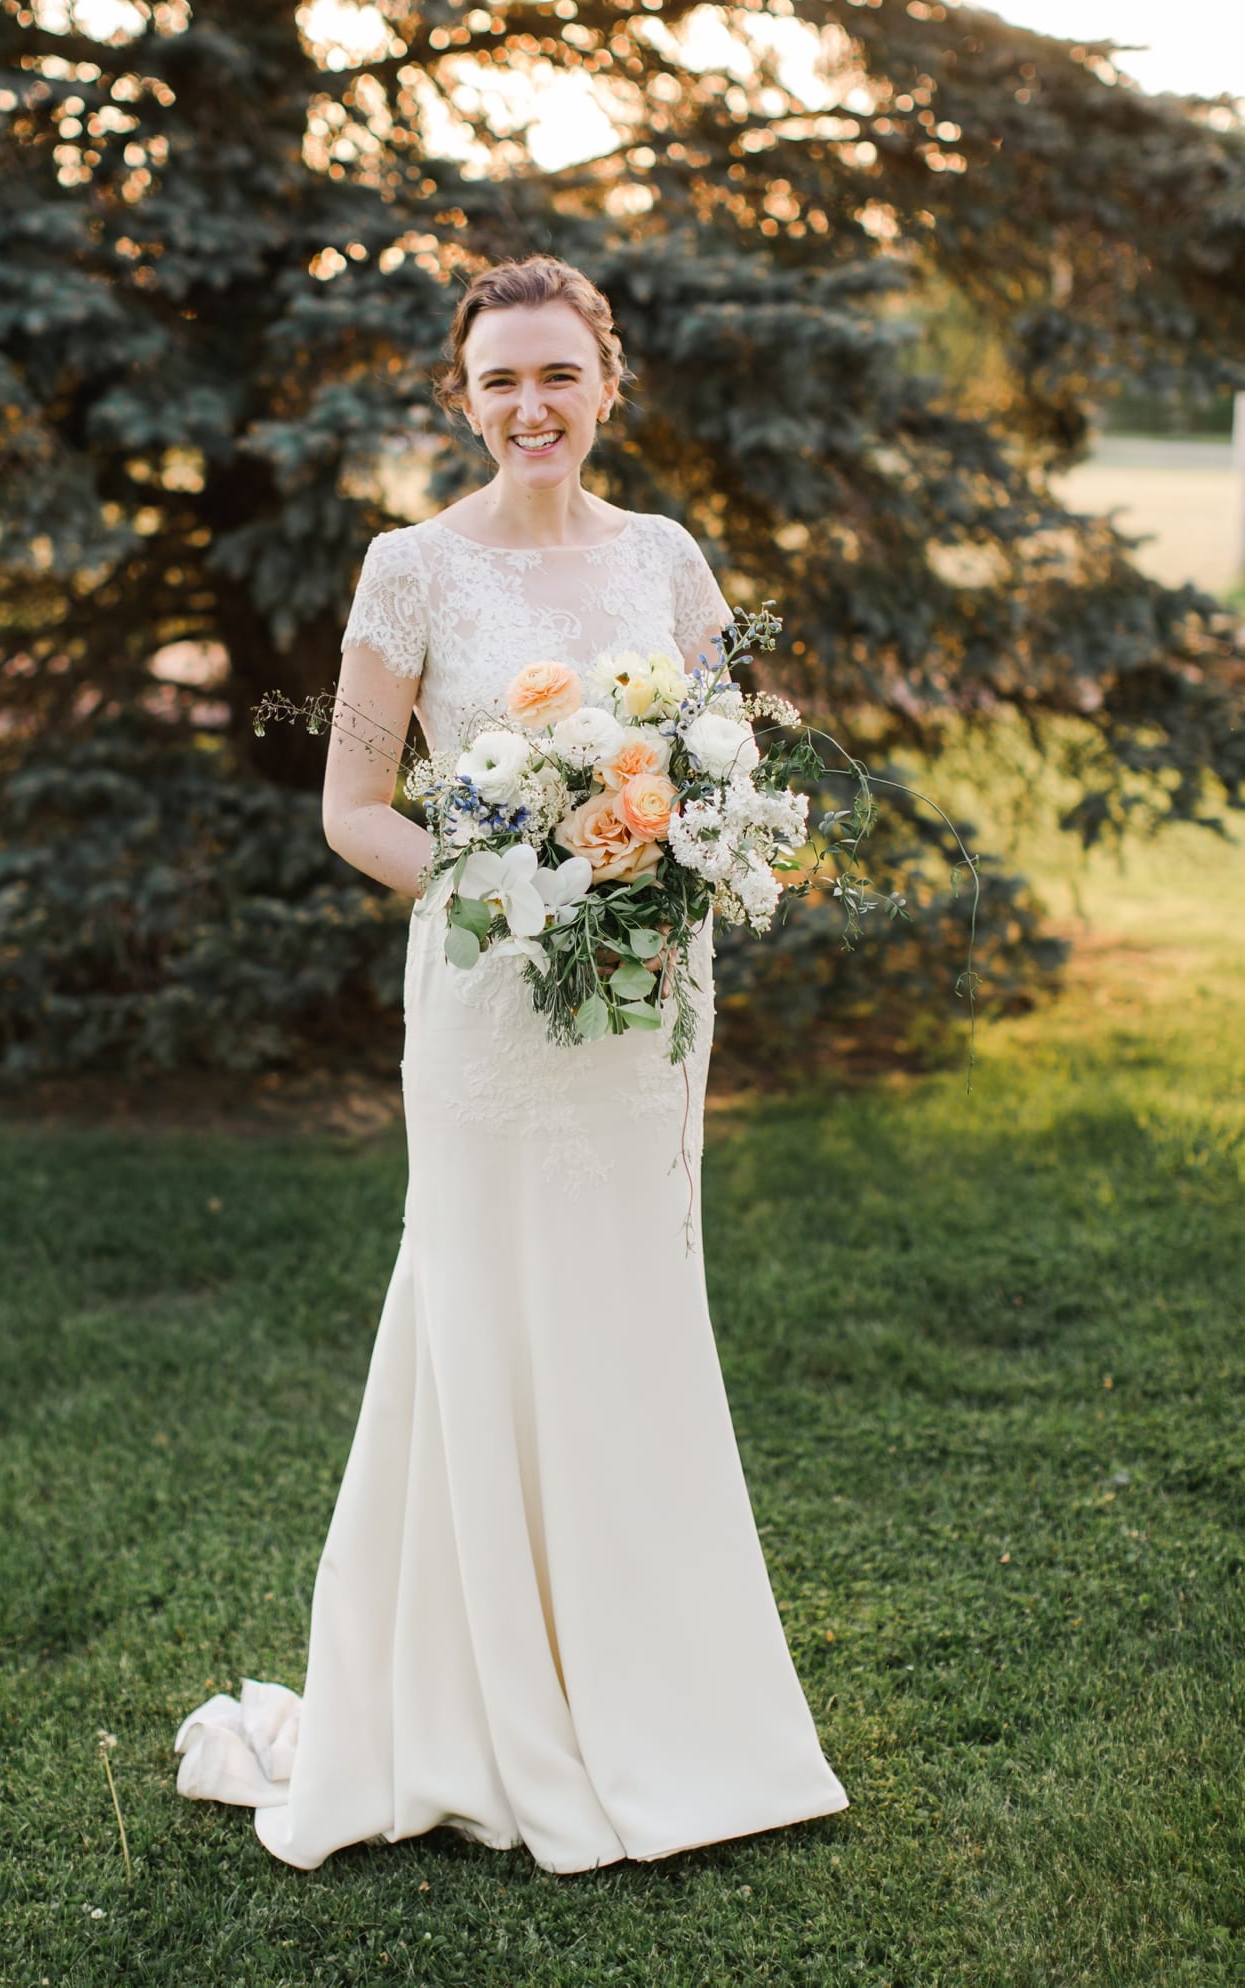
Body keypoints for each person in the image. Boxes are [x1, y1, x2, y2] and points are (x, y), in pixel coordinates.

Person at [173, 254, 849, 1874]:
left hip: (643, 1009)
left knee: (632, 1314)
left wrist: (674, 850)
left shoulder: (669, 557)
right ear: (462, 398)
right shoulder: (410, 569)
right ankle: (471, 1706)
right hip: (489, 1002)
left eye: (558, 374)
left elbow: (720, 758)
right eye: (500, 382)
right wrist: (520, 880)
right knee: (484, 1308)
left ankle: (671, 1707)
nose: (530, 407)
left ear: (607, 383)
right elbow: (353, 811)